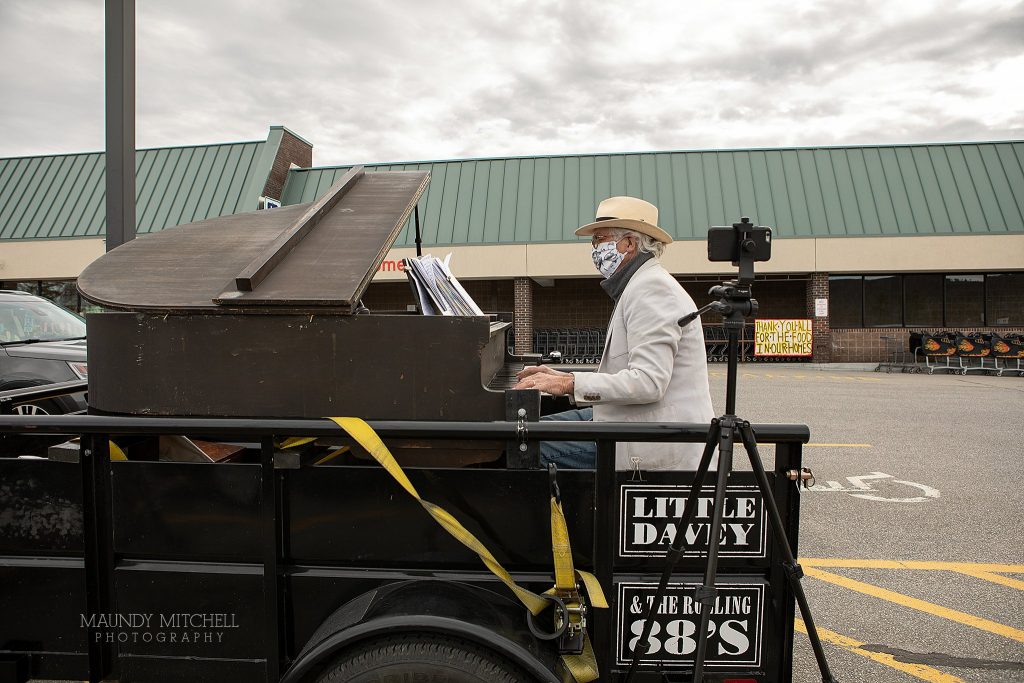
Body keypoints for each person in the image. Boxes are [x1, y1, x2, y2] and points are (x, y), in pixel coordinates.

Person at [514, 196, 714, 471]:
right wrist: (564, 376)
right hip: (636, 421)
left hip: (652, 437)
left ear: (630, 243)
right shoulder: (640, 285)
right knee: (526, 431)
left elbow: (648, 382)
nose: (594, 248)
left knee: (522, 444)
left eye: (600, 239)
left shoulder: (652, 290)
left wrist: (568, 385)